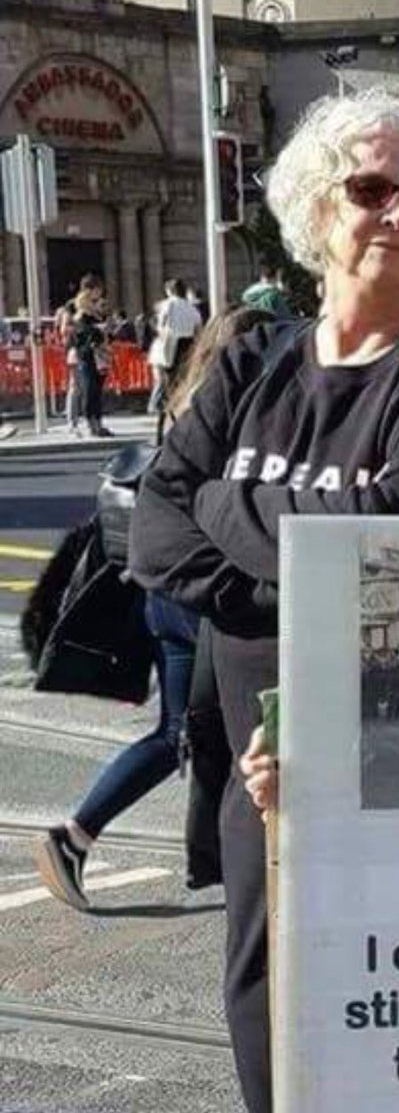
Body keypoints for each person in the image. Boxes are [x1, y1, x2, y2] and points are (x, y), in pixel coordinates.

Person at [128, 91, 399, 1113]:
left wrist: (229, 504)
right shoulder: (255, 356)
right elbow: (157, 524)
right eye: (371, 188)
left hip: (389, 754)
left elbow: (390, 535)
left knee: (393, 985)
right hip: (257, 754)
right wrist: (278, 576)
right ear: (316, 209)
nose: (398, 212)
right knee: (263, 982)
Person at [32, 304, 274, 913]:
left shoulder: (183, 404)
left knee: (182, 733)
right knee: (249, 729)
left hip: (164, 593)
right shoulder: (241, 417)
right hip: (207, 600)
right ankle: (248, 864)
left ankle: (77, 837)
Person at [147, 279, 203, 423]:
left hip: (170, 344)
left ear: (169, 291)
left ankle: (161, 407)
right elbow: (199, 330)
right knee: (181, 379)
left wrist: (160, 331)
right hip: (187, 345)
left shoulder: (167, 304)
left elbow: (161, 324)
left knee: (165, 379)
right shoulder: (192, 308)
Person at [65, 274, 112, 438]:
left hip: (99, 355)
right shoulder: (80, 314)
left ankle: (98, 422)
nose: (100, 295)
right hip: (86, 355)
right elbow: (79, 335)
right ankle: (90, 424)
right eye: (97, 290)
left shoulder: (97, 312)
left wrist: (105, 331)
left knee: (97, 390)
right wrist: (97, 331)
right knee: (88, 389)